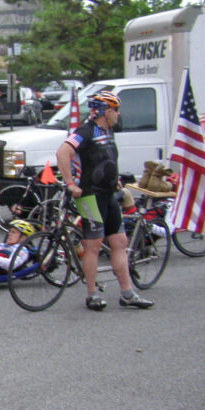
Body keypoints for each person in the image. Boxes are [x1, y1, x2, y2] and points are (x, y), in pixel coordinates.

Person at [57, 91, 153, 311]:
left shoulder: (109, 131)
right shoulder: (85, 131)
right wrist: (71, 184)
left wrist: (115, 179)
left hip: (108, 194)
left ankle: (127, 293)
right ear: (105, 111)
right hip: (90, 196)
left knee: (120, 242)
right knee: (93, 246)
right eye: (115, 110)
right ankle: (92, 294)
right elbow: (63, 153)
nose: (118, 114)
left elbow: (106, 159)